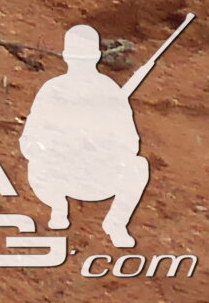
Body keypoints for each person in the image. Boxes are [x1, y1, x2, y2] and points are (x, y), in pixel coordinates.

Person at [22, 24, 156, 248]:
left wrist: (100, 145)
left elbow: (131, 143)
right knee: (37, 164)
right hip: (58, 174)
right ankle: (58, 207)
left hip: (97, 175)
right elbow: (29, 140)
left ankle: (116, 224)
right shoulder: (52, 90)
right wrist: (57, 145)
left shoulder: (110, 91)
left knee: (138, 166)